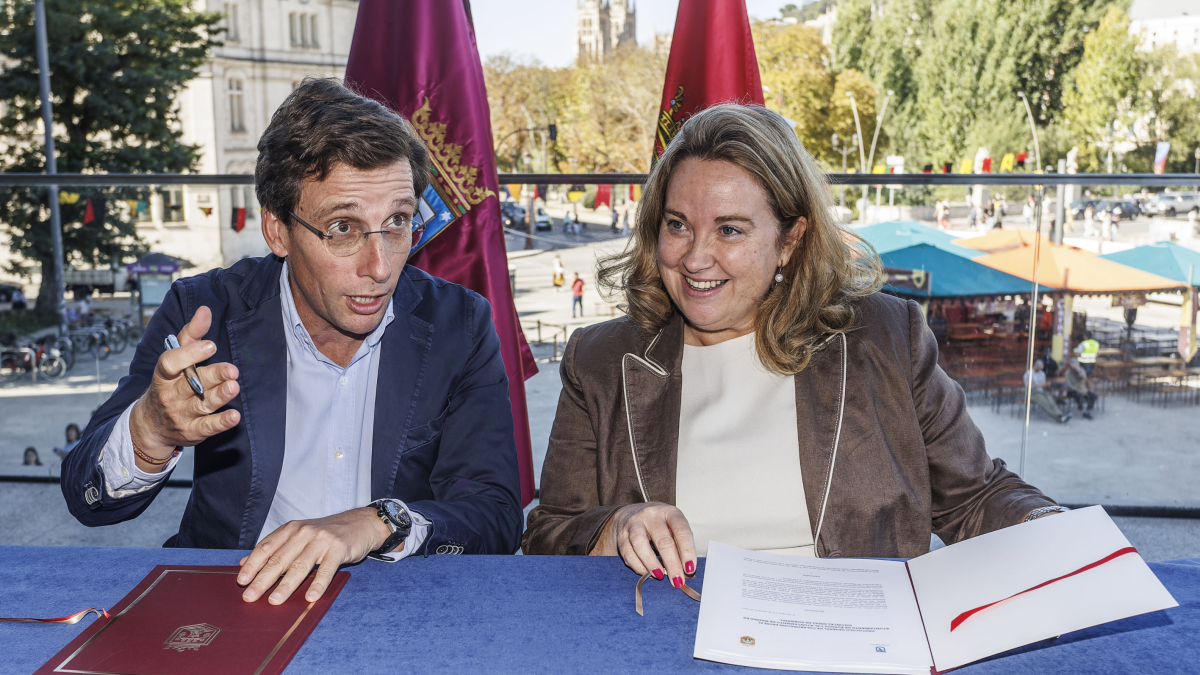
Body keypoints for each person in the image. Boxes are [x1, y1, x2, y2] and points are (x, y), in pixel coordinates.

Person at [523, 104, 1063, 583]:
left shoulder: (884, 337)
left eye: (730, 230)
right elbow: (546, 536)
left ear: (790, 239)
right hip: (666, 642)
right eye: (678, 224)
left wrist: (1056, 529)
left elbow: (976, 498)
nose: (694, 258)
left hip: (855, 644)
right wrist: (616, 527)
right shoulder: (598, 362)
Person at [61, 78, 523, 606]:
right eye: (343, 228)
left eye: (397, 222)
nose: (380, 267)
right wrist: (150, 430)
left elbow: (496, 514)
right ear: (277, 230)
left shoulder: (458, 323)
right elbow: (87, 500)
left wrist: (381, 522)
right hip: (233, 599)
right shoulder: (206, 313)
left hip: (398, 603)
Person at [1025, 359, 1070, 423]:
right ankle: (1057, 418)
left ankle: (1061, 415)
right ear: (1035, 365)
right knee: (1045, 404)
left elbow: (1043, 386)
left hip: (1042, 392)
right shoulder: (1028, 374)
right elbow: (1028, 387)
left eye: (1042, 366)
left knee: (1051, 402)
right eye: (1039, 366)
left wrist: (1047, 385)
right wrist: (1040, 384)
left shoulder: (1042, 373)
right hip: (1033, 393)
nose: (1041, 368)